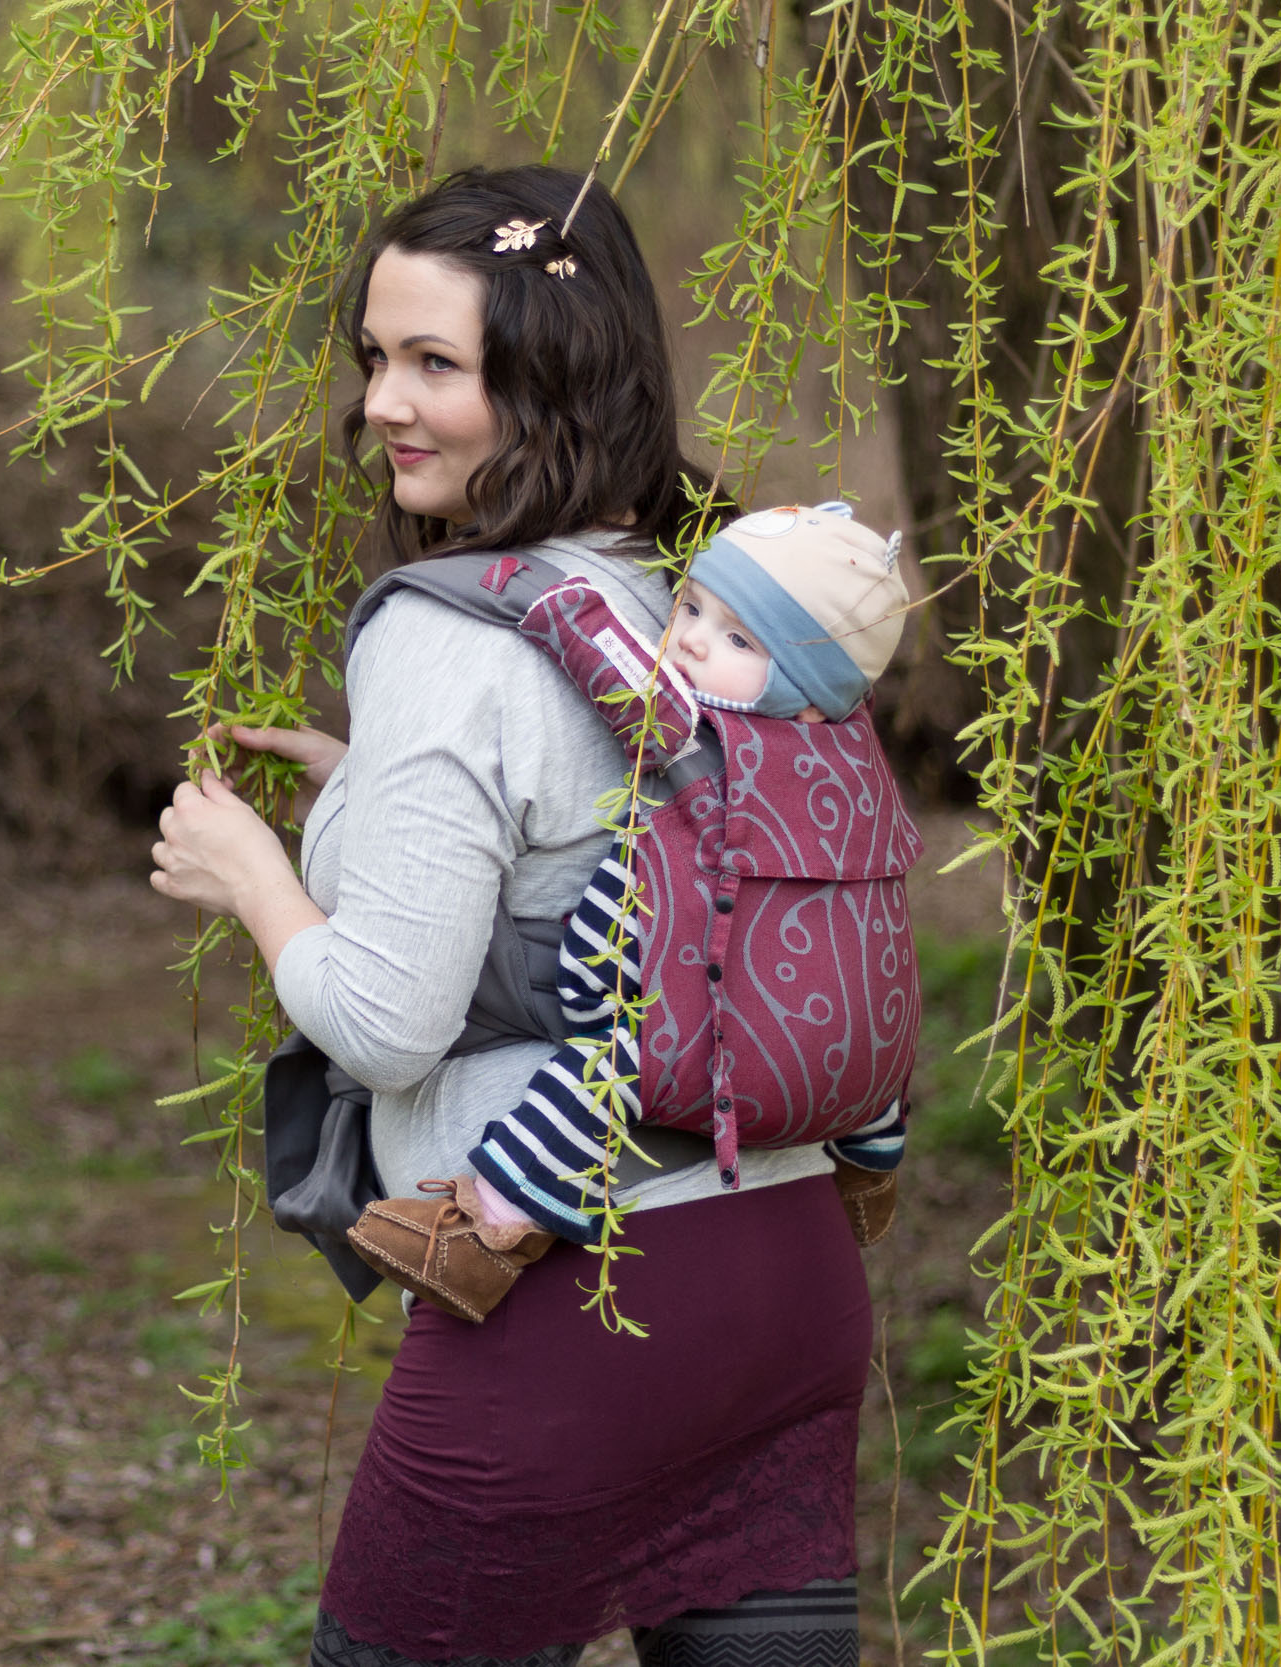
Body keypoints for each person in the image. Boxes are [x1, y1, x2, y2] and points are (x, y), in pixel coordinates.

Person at [151, 165, 872, 1667]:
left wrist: (254, 877)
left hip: (577, 1290)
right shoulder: (700, 593)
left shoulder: (444, 637)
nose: (381, 405)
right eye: (373, 357)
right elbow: (623, 845)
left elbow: (386, 1023)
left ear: (552, 375)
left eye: (436, 363)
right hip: (790, 1269)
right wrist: (366, 789)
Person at [347, 503, 915, 1322]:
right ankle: (870, 1173)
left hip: (689, 997)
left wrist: (539, 598)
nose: (692, 641)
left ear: (810, 695)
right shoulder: (856, 758)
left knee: (603, 1076)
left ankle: (487, 1234)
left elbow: (616, 671)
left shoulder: (710, 736)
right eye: (693, 608)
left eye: (739, 639)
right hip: (834, 1021)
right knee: (873, 1063)